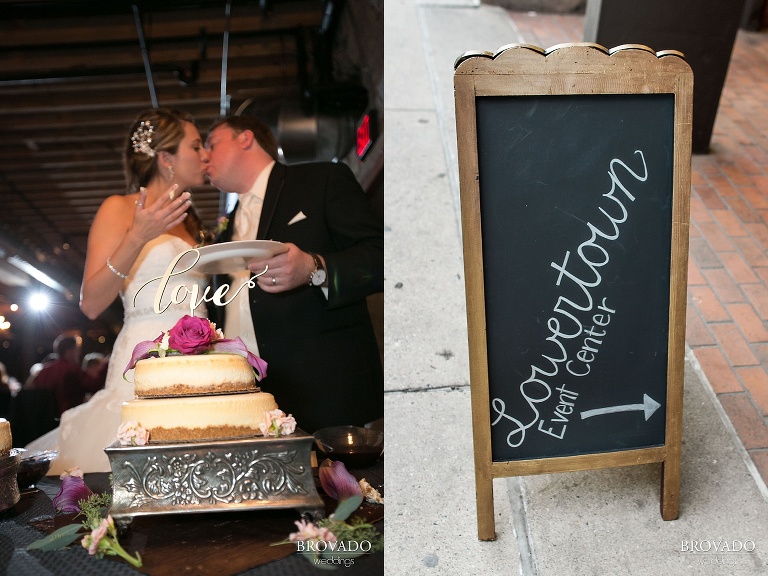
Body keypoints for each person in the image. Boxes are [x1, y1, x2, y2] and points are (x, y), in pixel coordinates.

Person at [27, 107, 210, 474]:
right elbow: (91, 304)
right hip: (144, 358)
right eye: (197, 146)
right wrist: (137, 237)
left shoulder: (191, 222)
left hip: (201, 358)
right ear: (166, 159)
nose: (206, 155)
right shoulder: (119, 209)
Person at [205, 115, 383, 433]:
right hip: (246, 399)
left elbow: (381, 263)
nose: (205, 156)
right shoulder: (223, 233)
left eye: (212, 144)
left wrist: (315, 269)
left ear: (245, 138)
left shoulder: (322, 179)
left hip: (324, 391)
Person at [28, 334, 96, 416]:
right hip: (69, 418)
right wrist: (108, 365)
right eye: (77, 349)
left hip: (45, 421)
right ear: (70, 350)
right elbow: (94, 386)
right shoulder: (72, 369)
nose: (79, 353)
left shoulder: (43, 371)